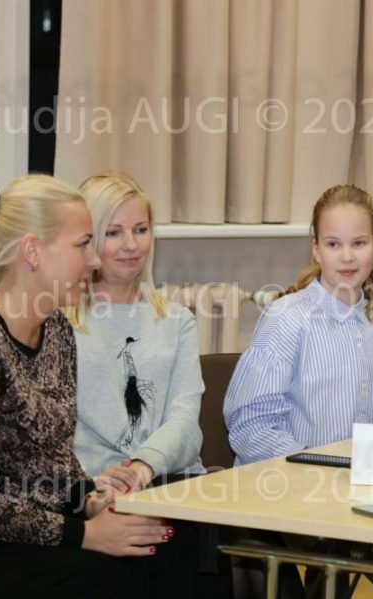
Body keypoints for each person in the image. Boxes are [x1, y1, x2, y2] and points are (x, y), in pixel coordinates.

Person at [0, 176, 172, 599]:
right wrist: (85, 535)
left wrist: (90, 501)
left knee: (178, 549)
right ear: (32, 251)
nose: (94, 260)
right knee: (118, 579)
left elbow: (53, 457)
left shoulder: (57, 331)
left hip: (35, 536)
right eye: (83, 244)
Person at [64, 172, 230, 598]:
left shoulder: (176, 321)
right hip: (92, 490)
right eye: (113, 232)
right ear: (87, 241)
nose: (131, 244)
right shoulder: (60, 324)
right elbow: (57, 431)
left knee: (199, 547)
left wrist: (142, 466)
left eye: (140, 230)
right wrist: (98, 490)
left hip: (168, 479)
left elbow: (184, 419)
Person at [224, 184, 373, 465]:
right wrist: (317, 466)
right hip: (291, 479)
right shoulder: (285, 319)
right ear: (316, 249)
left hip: (358, 479)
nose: (347, 256)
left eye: (359, 243)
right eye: (333, 244)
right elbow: (251, 427)